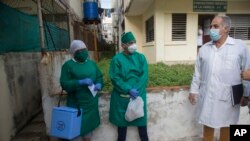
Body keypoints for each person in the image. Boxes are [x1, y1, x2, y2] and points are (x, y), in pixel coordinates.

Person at [188, 16, 250, 141]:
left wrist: (246, 94)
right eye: (211, 26)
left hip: (229, 97)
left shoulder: (239, 47)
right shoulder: (204, 49)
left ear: (226, 28)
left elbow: (247, 73)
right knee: (208, 125)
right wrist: (193, 90)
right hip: (208, 96)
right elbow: (197, 72)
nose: (211, 29)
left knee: (227, 125)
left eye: (215, 26)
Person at [60, 40, 103, 141]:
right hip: (76, 106)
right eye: (80, 50)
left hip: (91, 105)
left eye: (84, 49)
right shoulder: (68, 66)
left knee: (88, 134)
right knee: (76, 134)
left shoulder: (92, 64)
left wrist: (99, 83)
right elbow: (64, 84)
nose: (83, 52)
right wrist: (79, 82)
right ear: (74, 53)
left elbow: (99, 76)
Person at [109, 32, 149, 141]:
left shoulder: (141, 58)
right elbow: (115, 78)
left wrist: (136, 90)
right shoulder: (117, 59)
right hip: (122, 97)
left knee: (143, 129)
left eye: (134, 42)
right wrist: (128, 89)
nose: (133, 45)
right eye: (130, 43)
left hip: (138, 95)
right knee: (121, 131)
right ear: (123, 45)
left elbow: (144, 76)